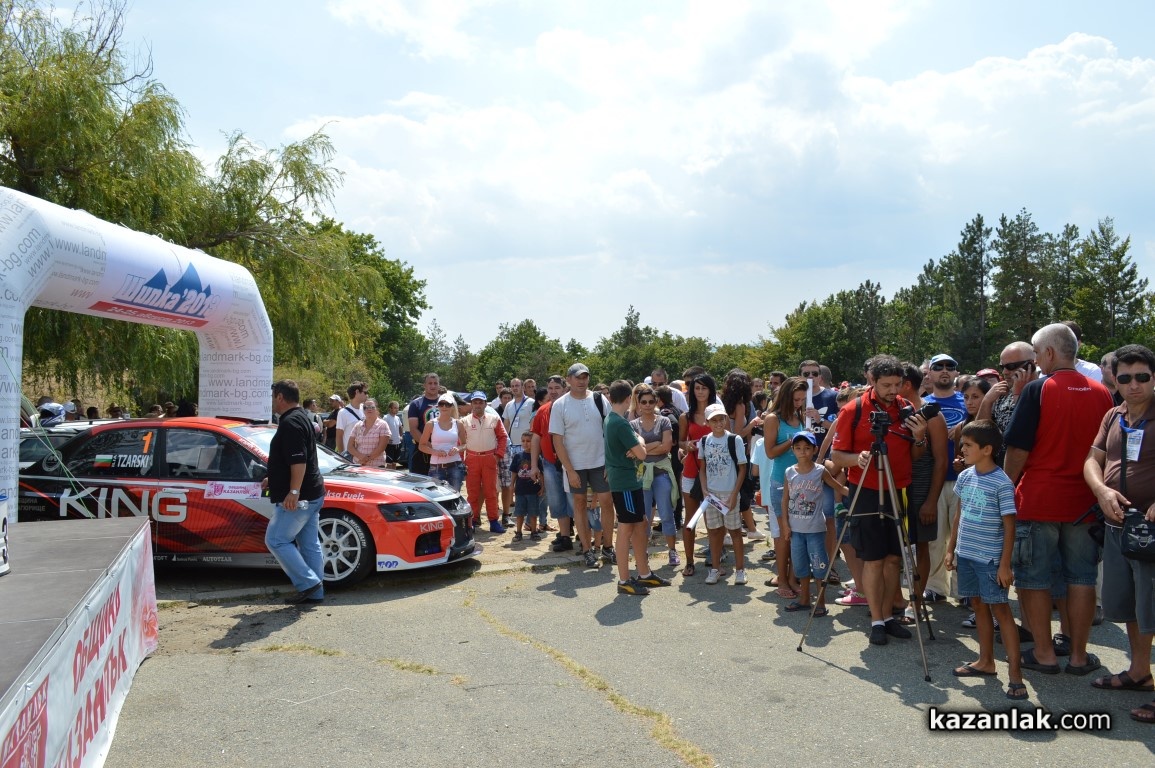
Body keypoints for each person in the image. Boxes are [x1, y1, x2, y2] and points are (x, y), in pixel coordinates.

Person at [1004, 323, 1113, 676]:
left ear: (1049, 353)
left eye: (1037, 354)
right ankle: (1079, 656)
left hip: (1039, 500)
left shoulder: (1038, 389)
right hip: (1084, 503)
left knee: (1033, 578)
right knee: (1082, 577)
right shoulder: (1103, 392)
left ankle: (1045, 653)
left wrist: (1004, 487)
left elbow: (1018, 448)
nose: (1036, 361)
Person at [831, 354, 928, 647]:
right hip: (867, 490)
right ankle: (876, 621)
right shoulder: (853, 409)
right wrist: (857, 459)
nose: (892, 390)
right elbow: (836, 456)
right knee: (873, 559)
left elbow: (916, 456)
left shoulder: (906, 407)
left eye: (897, 384)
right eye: (886, 385)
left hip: (899, 489)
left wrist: (920, 437)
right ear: (872, 380)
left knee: (894, 558)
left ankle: (887, 617)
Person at [1084, 343, 1155, 723]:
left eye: (1142, 376)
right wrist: (1101, 490)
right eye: (1125, 378)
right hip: (1118, 526)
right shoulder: (1113, 415)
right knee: (1131, 606)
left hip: (1152, 530)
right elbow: (1093, 460)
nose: (1133, 385)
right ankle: (1139, 672)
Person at [944, 419, 1025, 699]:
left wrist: (1005, 564)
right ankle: (986, 661)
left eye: (968, 445)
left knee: (1001, 611)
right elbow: (959, 514)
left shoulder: (1002, 483)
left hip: (990, 560)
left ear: (987, 449)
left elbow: (1010, 527)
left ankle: (1015, 675)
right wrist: (951, 549)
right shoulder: (965, 476)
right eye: (962, 444)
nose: (962, 450)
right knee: (977, 605)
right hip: (966, 555)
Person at [264, 380, 327, 605]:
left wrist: (293, 491)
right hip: (312, 493)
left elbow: (299, 461)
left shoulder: (291, 423)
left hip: (301, 497)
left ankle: (309, 583)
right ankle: (315, 592)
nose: (272, 401)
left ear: (280, 397)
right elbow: (297, 457)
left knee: (275, 540)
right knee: (309, 544)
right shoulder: (301, 417)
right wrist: (273, 478)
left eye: (273, 396)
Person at [605, 380, 670, 594]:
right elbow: (642, 454)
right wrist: (642, 444)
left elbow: (639, 442)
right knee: (626, 529)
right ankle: (624, 580)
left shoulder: (614, 419)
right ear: (628, 399)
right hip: (624, 482)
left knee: (640, 523)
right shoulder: (620, 423)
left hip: (630, 481)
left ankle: (644, 573)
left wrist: (640, 441)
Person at [550, 363, 614, 568]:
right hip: (575, 464)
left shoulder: (599, 399)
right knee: (579, 504)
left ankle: (608, 547)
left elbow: (610, 431)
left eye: (585, 377)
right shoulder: (560, 405)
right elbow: (557, 441)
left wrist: (610, 462)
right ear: (568, 379)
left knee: (607, 502)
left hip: (600, 461)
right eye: (577, 377)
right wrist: (569, 470)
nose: (582, 381)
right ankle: (587, 550)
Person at [781, 431, 846, 615]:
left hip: (816, 529)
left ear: (814, 449)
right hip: (796, 530)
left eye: (807, 448)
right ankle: (804, 599)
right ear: (793, 450)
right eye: (798, 448)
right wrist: (785, 524)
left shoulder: (820, 471)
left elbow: (838, 487)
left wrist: (859, 494)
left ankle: (821, 602)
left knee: (819, 567)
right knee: (800, 566)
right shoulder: (789, 472)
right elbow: (785, 499)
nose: (803, 452)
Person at [923, 353, 967, 604]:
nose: (945, 370)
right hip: (935, 480)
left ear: (956, 373)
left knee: (962, 538)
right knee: (935, 539)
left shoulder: (966, 400)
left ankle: (964, 591)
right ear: (929, 373)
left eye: (950, 366)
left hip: (964, 479)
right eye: (938, 367)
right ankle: (935, 587)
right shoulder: (923, 403)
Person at [758, 376, 808, 597]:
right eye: (796, 399)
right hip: (781, 482)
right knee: (783, 534)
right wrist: (794, 440)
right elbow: (770, 452)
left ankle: (792, 577)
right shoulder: (773, 419)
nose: (799, 403)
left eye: (802, 399)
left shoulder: (800, 416)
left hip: (802, 481)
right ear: (787, 397)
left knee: (798, 534)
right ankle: (782, 580)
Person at [698, 402, 749, 585]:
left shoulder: (734, 439)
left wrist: (734, 494)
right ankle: (715, 568)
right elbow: (702, 468)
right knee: (714, 532)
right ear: (707, 422)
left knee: (735, 532)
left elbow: (742, 468)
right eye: (714, 420)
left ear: (726, 419)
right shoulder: (704, 441)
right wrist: (704, 489)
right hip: (711, 494)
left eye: (721, 419)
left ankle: (740, 570)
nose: (719, 423)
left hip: (729, 492)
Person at [631, 382, 679, 567]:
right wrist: (655, 445)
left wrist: (644, 449)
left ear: (656, 402)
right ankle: (642, 553)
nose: (648, 405)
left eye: (651, 401)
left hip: (661, 472)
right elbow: (633, 452)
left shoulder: (664, 421)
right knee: (643, 517)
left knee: (666, 513)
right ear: (638, 403)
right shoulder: (633, 424)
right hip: (642, 475)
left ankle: (672, 550)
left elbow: (666, 446)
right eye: (644, 402)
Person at [678, 373, 718, 578]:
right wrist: (688, 445)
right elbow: (680, 442)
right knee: (691, 519)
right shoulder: (685, 416)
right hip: (692, 471)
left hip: (716, 473)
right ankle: (689, 561)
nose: (700, 392)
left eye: (704, 388)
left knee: (714, 520)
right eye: (697, 388)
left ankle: (716, 561)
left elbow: (728, 439)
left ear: (711, 390)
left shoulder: (719, 415)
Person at [462, 390, 509, 533]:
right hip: (472, 459)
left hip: (489, 458)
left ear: (485, 404)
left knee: (491, 491)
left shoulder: (494, 418)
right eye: (475, 402)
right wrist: (461, 460)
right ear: (471, 404)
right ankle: (472, 521)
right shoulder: (464, 421)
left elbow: (503, 437)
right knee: (472, 492)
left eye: (480, 402)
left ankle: (493, 521)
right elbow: (460, 442)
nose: (478, 405)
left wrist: (498, 455)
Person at [421, 392, 467, 491]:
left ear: (452, 406)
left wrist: (457, 448)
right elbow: (422, 446)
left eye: (447, 404)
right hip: (436, 467)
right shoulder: (431, 424)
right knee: (437, 496)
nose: (444, 407)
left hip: (455, 465)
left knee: (455, 495)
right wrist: (435, 452)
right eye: (441, 404)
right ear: (438, 406)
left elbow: (465, 444)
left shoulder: (458, 423)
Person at [510, 431, 543, 542]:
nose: (525, 443)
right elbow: (514, 472)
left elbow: (541, 473)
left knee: (533, 512)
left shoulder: (537, 457)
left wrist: (542, 487)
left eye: (528, 441)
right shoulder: (518, 456)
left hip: (533, 490)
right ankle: (518, 532)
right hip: (520, 490)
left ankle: (534, 532)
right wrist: (512, 485)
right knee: (519, 512)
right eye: (523, 441)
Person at [408, 373, 442, 476]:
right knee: (421, 483)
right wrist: (430, 447)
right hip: (422, 452)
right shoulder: (415, 404)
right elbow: (413, 430)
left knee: (444, 483)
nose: (433, 386)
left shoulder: (447, 402)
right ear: (424, 385)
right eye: (430, 383)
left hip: (443, 450)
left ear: (439, 385)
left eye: (435, 383)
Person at [346, 398, 391, 468]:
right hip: (358, 464)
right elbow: (350, 447)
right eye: (365, 407)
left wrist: (365, 460)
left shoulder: (383, 425)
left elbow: (381, 448)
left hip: (376, 466)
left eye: (372, 407)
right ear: (363, 410)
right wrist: (360, 457)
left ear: (377, 409)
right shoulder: (358, 425)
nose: (369, 409)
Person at [335, 381, 367, 455]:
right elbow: (339, 437)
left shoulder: (365, 408)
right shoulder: (343, 413)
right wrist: (342, 456)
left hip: (364, 454)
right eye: (365, 392)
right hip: (350, 456)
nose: (367, 395)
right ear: (357, 392)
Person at [383, 401, 405, 466]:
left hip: (398, 443)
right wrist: (386, 439)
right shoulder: (386, 417)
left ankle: (393, 473)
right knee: (389, 463)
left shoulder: (397, 418)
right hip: (390, 444)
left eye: (397, 408)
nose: (397, 409)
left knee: (395, 463)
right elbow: (383, 429)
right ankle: (389, 473)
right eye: (395, 408)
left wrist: (401, 436)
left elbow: (400, 427)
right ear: (390, 409)